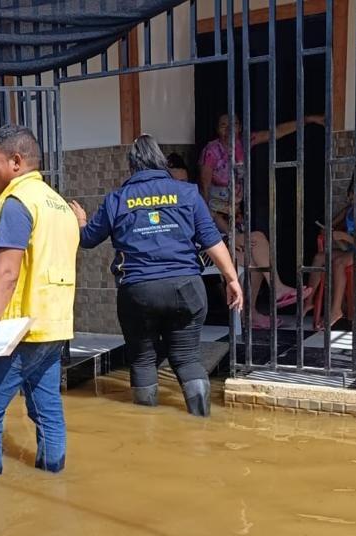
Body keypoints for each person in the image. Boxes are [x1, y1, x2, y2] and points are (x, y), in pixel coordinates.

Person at [71, 135, 243, 416]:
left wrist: (81, 222)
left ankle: (147, 428)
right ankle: (201, 422)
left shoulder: (117, 199)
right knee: (187, 358)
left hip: (138, 292)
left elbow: (88, 240)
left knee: (143, 360)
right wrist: (232, 279)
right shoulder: (187, 193)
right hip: (186, 288)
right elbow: (212, 240)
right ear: (160, 161)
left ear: (132, 165)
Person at [0, 125, 79, 483]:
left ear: (16, 161)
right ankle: (53, 481)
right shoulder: (57, 203)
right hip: (52, 328)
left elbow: (7, 273)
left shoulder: (15, 204)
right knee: (47, 410)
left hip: (15, 331)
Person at [198, 113, 322, 328]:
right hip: (213, 227)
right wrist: (228, 233)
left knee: (255, 252)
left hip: (235, 221)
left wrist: (309, 119)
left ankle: (257, 307)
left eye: (233, 124)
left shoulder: (244, 142)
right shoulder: (211, 151)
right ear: (217, 129)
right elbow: (205, 196)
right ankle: (273, 293)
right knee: (254, 247)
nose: (229, 129)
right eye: (223, 125)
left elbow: (277, 133)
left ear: (240, 127)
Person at [305, 171, 356, 330]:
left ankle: (336, 310)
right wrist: (327, 231)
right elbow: (330, 225)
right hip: (354, 251)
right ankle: (308, 302)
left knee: (339, 262)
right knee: (319, 258)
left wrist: (343, 236)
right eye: (352, 191)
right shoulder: (348, 211)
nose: (355, 196)